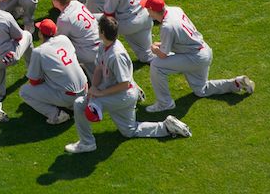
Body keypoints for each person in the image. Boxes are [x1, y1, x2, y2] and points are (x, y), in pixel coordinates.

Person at [64, 16, 192, 154]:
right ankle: (167, 127)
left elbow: (124, 84)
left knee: (80, 104)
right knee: (129, 131)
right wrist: (93, 88)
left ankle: (87, 143)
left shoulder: (116, 55)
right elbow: (99, 69)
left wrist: (99, 94)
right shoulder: (103, 46)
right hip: (117, 93)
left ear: (102, 33)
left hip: (123, 96)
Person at [141, 0, 255, 112]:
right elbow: (180, 37)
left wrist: (154, 48)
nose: (147, 12)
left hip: (194, 58)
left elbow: (163, 55)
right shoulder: (175, 10)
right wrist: (162, 44)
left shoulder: (167, 27)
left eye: (148, 9)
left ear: (153, 10)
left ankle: (165, 103)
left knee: (156, 65)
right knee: (201, 90)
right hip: (203, 50)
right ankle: (236, 83)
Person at [19, 19, 88, 124]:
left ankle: (56, 115)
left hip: (68, 96)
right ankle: (74, 105)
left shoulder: (39, 52)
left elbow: (33, 82)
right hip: (85, 89)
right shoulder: (64, 39)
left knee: (24, 91)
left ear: (40, 34)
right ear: (55, 31)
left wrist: (44, 78)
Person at [51, 0, 100, 79]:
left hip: (89, 52)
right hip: (101, 43)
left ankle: (74, 75)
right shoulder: (76, 3)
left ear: (56, 0)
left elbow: (59, 42)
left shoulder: (64, 19)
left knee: (60, 51)